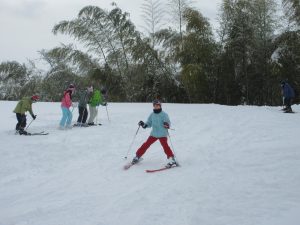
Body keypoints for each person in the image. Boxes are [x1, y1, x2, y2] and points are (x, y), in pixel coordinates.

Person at [131, 99, 177, 168]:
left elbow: (168, 123)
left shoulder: (164, 114)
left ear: (160, 106)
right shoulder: (152, 115)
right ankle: (137, 156)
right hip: (154, 134)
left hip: (162, 134)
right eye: (155, 106)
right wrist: (144, 125)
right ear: (153, 106)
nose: (156, 107)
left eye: (158, 105)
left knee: (165, 146)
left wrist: (166, 125)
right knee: (146, 144)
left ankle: (171, 159)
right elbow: (149, 123)